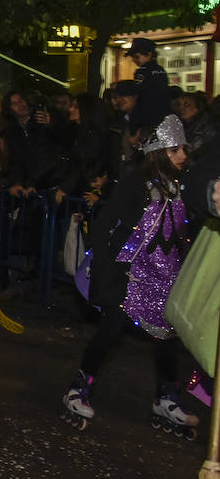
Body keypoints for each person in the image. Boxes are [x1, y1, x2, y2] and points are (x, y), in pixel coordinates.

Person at [62, 115, 198, 436]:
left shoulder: (179, 186)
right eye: (177, 150)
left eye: (184, 150)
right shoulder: (136, 183)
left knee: (167, 336)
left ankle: (165, 397)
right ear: (160, 151)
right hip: (129, 276)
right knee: (110, 331)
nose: (183, 156)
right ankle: (78, 387)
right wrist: (103, 265)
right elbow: (105, 223)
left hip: (164, 277)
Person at [125, 38, 171, 134]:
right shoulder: (161, 70)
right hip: (163, 116)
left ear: (149, 54)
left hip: (146, 118)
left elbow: (136, 92)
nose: (134, 60)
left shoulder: (142, 71)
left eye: (136, 57)